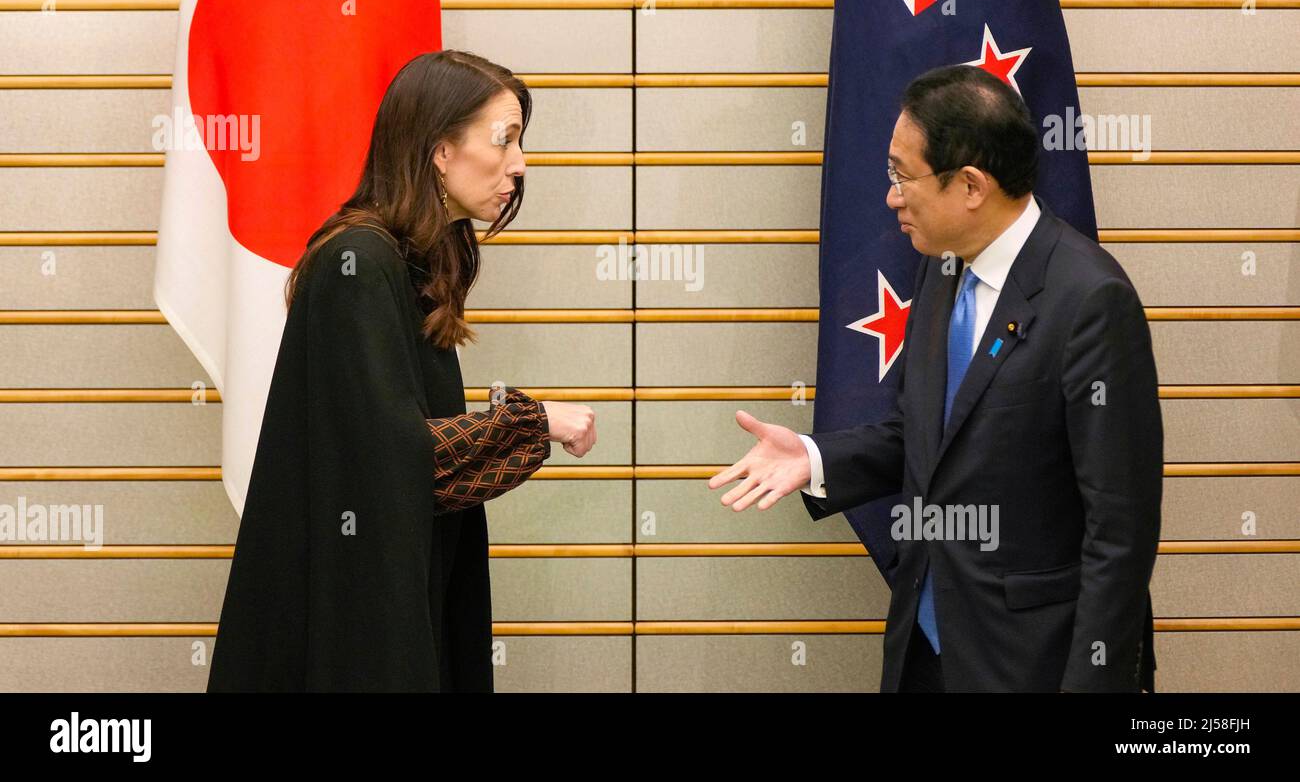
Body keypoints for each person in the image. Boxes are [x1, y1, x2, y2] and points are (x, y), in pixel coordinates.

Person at [709, 64, 1162, 693]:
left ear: (970, 185)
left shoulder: (1090, 301)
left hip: (1033, 661)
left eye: (903, 175)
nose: (892, 195)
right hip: (925, 645)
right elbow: (931, 435)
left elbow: (1120, 533)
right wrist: (815, 458)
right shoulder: (944, 267)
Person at [207, 50, 597, 692]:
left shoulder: (413, 261)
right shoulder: (357, 264)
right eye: (505, 140)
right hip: (350, 625)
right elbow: (391, 463)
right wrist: (533, 423)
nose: (520, 165)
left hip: (393, 594)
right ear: (441, 151)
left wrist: (518, 428)